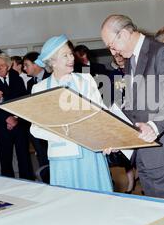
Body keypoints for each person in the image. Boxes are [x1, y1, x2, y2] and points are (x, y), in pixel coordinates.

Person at [101, 14, 164, 199]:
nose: (113, 52)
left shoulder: (161, 53)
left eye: (112, 45)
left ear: (123, 34)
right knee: (157, 210)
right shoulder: (131, 60)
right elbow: (132, 107)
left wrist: (153, 126)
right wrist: (116, 136)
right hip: (145, 153)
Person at [30, 34, 113, 192]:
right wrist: (65, 133)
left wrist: (108, 138)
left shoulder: (86, 80)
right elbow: (35, 128)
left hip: (91, 152)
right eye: (65, 55)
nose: (71, 58)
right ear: (52, 62)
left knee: (99, 202)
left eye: (70, 53)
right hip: (62, 156)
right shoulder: (40, 89)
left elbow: (101, 113)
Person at [0, 53, 34, 180]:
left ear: (8, 66)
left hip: (19, 124)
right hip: (1, 126)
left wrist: (15, 118)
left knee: (24, 157)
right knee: (5, 159)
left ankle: (29, 183)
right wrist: (6, 118)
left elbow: (23, 100)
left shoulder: (17, 79)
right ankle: (7, 185)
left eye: (2, 66)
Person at [107, 53, 136, 193]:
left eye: (120, 57)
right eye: (116, 58)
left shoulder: (136, 69)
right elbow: (114, 95)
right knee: (126, 151)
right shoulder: (114, 75)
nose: (118, 59)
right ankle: (131, 181)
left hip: (138, 114)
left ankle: (142, 175)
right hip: (122, 114)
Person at [22, 51, 51, 170]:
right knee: (42, 157)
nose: (24, 68)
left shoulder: (51, 78)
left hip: (51, 126)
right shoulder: (30, 83)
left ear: (36, 64)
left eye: (26, 65)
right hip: (36, 127)